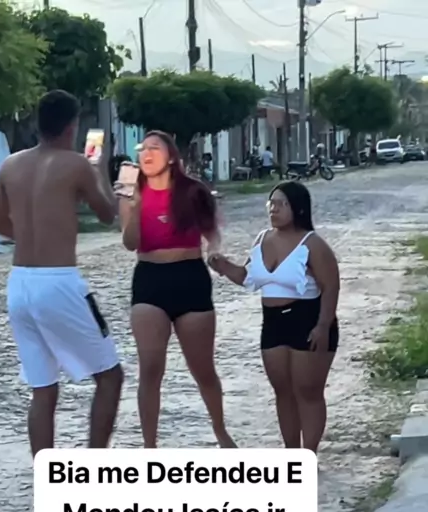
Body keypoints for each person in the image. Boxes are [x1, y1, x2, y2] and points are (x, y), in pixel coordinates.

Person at [0, 90, 123, 456]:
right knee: (110, 376)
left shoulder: (10, 164)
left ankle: (44, 475)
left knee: (43, 388)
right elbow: (108, 213)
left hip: (20, 283)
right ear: (72, 126)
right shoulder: (77, 164)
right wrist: (99, 167)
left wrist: (34, 236)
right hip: (59, 281)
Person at [118, 130, 236, 449]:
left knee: (203, 369)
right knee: (150, 368)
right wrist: (132, 207)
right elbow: (129, 243)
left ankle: (221, 430)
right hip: (149, 279)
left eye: (155, 148)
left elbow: (212, 233)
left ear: (171, 157)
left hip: (189, 277)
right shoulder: (131, 191)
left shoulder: (192, 191)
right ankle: (149, 447)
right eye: (143, 148)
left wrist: (214, 251)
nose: (147, 153)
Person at [209, 181, 339, 454]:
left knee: (308, 391)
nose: (274, 209)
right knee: (283, 391)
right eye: (271, 203)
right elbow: (248, 277)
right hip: (273, 322)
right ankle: (291, 453)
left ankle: (309, 453)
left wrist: (323, 325)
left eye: (282, 204)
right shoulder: (262, 238)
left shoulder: (313, 244)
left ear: (298, 208)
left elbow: (331, 287)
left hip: (308, 319)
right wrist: (223, 266)